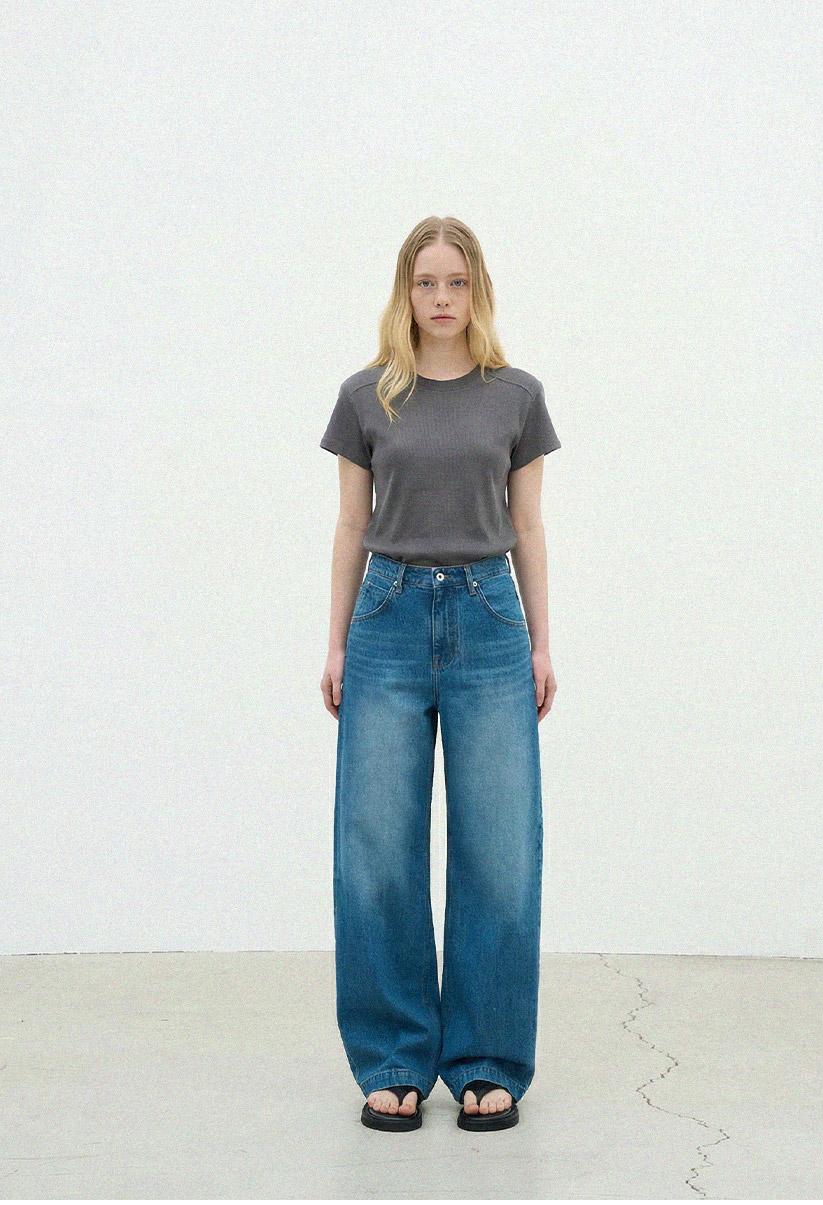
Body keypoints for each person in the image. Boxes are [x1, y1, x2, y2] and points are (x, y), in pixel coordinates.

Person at [319, 216, 561, 1132]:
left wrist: (541, 642)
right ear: (405, 291)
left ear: (478, 289)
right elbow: (351, 525)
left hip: (489, 618)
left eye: (457, 281)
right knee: (376, 847)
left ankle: (487, 1057)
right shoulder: (366, 395)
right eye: (426, 282)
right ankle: (394, 1055)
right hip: (385, 617)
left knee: (500, 848)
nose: (442, 298)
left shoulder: (517, 396)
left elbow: (527, 525)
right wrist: (336, 642)